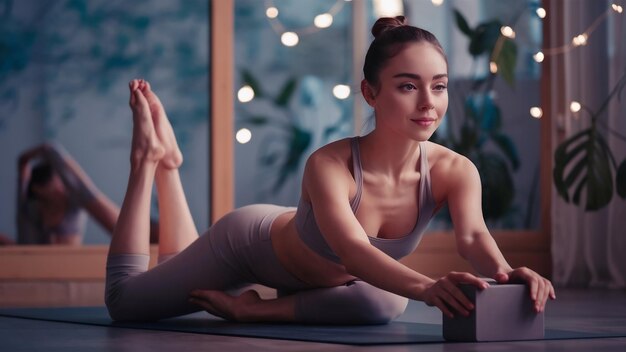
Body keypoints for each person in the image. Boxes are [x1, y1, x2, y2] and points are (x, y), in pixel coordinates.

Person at [105, 16, 555, 324]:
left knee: (386, 302)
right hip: (249, 245)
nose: (428, 103)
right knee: (126, 302)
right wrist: (429, 288)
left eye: (438, 87)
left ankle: (252, 310)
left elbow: (473, 237)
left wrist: (504, 274)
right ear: (370, 92)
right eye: (407, 86)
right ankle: (150, 162)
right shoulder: (330, 164)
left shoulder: (457, 170)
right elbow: (354, 252)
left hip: (320, 284)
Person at [17, 143, 159, 245]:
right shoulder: (30, 211)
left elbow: (76, 182)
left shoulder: (75, 200)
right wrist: (23, 164)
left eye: (62, 184)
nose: (61, 189)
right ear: (38, 190)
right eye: (55, 185)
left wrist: (39, 151)